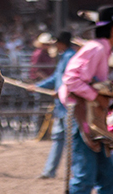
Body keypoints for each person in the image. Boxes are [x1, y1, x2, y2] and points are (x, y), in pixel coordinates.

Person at [61, 5, 113, 194]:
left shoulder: (103, 48)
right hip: (83, 115)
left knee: (107, 176)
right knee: (86, 176)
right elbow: (71, 78)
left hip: (92, 115)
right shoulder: (97, 48)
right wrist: (96, 97)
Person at [36, 31, 77, 179]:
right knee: (58, 138)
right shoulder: (65, 57)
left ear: (62, 43)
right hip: (61, 105)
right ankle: (49, 171)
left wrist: (59, 91)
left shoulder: (70, 57)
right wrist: (38, 86)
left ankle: (75, 172)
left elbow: (71, 80)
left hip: (68, 105)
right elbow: (56, 77)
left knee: (71, 140)